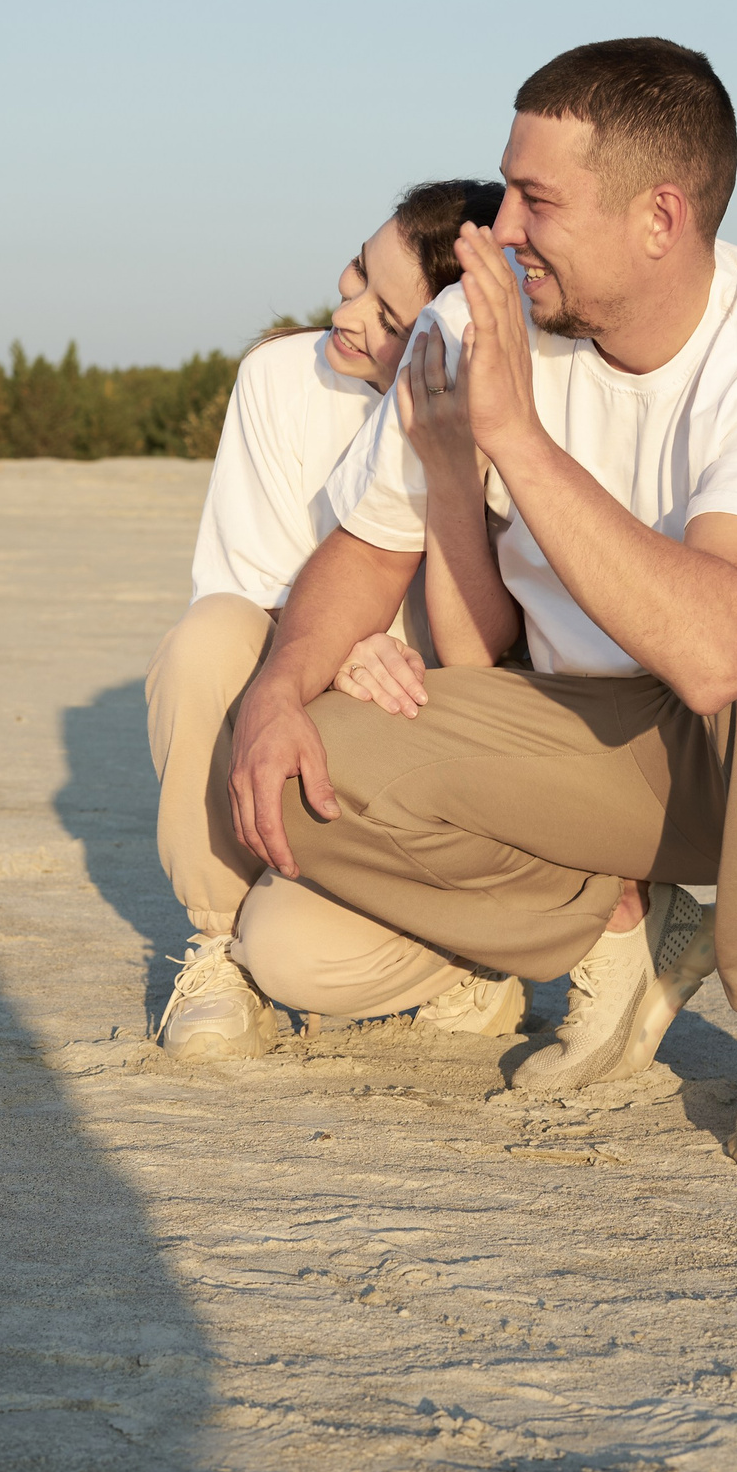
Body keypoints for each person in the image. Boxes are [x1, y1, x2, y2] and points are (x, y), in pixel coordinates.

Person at [226, 40, 737, 1171]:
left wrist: (514, 435)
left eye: (535, 202)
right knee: (314, 758)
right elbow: (366, 552)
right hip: (613, 737)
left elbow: (724, 650)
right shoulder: (470, 322)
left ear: (660, 218)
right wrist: (278, 690)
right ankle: (624, 939)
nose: (500, 230)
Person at [148, 178, 525, 1058]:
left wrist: (450, 461)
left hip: (434, 743)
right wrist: (347, 644)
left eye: (390, 317)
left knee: (296, 956)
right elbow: (243, 591)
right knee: (205, 643)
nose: (346, 312)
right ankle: (215, 949)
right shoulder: (281, 378)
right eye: (358, 273)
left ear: (448, 330)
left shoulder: (505, 408)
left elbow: (486, 657)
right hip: (309, 691)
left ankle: (474, 955)